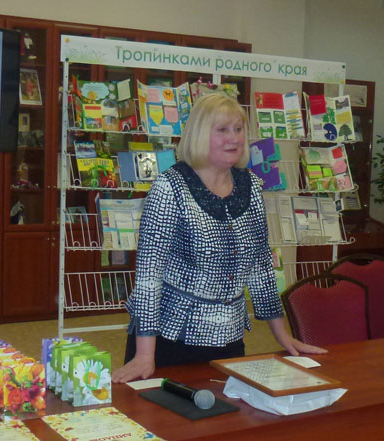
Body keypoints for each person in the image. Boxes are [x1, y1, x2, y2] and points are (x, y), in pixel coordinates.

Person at [113, 93, 325, 383]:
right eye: (222, 130)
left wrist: (283, 335)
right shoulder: (169, 188)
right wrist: (144, 355)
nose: (233, 138)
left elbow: (261, 266)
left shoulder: (251, 186)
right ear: (200, 134)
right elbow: (150, 275)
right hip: (169, 339)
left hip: (229, 336)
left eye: (238, 129)